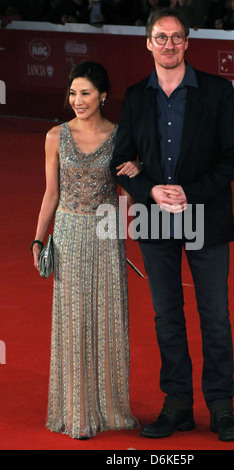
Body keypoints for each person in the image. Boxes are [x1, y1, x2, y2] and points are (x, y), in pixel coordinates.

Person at [110, 7, 234, 442]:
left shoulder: (217, 91)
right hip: (153, 215)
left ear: (187, 42)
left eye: (176, 37)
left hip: (204, 214)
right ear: (148, 43)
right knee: (167, 315)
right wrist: (150, 190)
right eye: (160, 37)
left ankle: (221, 407)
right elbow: (121, 160)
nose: (168, 45)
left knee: (215, 316)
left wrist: (191, 192)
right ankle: (178, 405)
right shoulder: (136, 96)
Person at [31, 61, 139, 440]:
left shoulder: (121, 136)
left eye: (86, 93)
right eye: (73, 93)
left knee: (108, 316)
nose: (77, 100)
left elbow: (128, 191)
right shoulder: (54, 136)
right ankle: (76, 411)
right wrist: (38, 238)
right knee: (75, 320)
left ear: (103, 96)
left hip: (107, 234)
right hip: (69, 234)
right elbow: (51, 193)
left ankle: (109, 408)